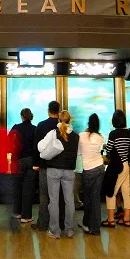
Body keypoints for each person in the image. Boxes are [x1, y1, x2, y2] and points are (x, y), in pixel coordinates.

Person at [44, 111, 79, 239]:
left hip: (53, 169)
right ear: (70, 121)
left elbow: (43, 148)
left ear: (58, 120)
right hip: (69, 171)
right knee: (69, 201)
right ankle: (69, 230)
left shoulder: (54, 133)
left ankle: (55, 231)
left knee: (53, 201)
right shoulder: (76, 136)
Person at [32, 100, 62, 232]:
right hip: (60, 166)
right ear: (59, 111)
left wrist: (36, 163)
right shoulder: (63, 126)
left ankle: (43, 224)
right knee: (58, 196)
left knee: (44, 196)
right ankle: (59, 223)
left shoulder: (41, 125)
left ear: (48, 110)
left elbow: (36, 146)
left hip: (44, 166)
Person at [103, 110, 130, 228]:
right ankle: (126, 219)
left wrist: (105, 146)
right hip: (129, 166)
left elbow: (109, 150)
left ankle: (110, 220)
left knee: (111, 191)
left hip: (118, 166)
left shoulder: (113, 134)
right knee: (127, 192)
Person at [78, 113, 104, 235]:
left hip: (88, 170)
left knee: (88, 199)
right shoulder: (100, 137)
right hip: (100, 168)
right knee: (96, 198)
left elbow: (78, 153)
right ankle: (96, 228)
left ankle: (87, 224)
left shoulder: (82, 136)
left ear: (88, 123)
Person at [10, 108, 36, 223]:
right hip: (30, 160)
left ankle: (17, 212)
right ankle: (26, 216)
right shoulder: (35, 129)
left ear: (21, 116)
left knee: (17, 187)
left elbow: (9, 141)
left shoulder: (16, 128)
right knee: (28, 189)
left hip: (17, 160)